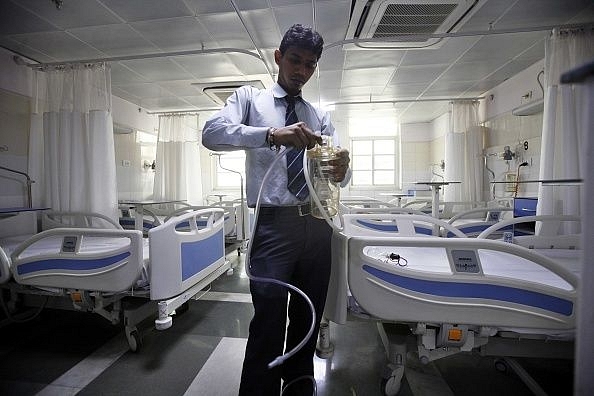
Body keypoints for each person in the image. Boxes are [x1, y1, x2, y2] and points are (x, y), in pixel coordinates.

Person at [202, 24, 350, 395]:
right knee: (268, 316)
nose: (302, 71)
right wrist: (269, 135)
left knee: (307, 316)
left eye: (310, 65)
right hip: (272, 226)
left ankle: (299, 381)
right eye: (296, 61)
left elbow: (336, 178)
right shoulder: (251, 100)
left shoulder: (319, 116)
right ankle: (258, 389)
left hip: (317, 227)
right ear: (279, 58)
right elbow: (211, 133)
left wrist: (343, 171)